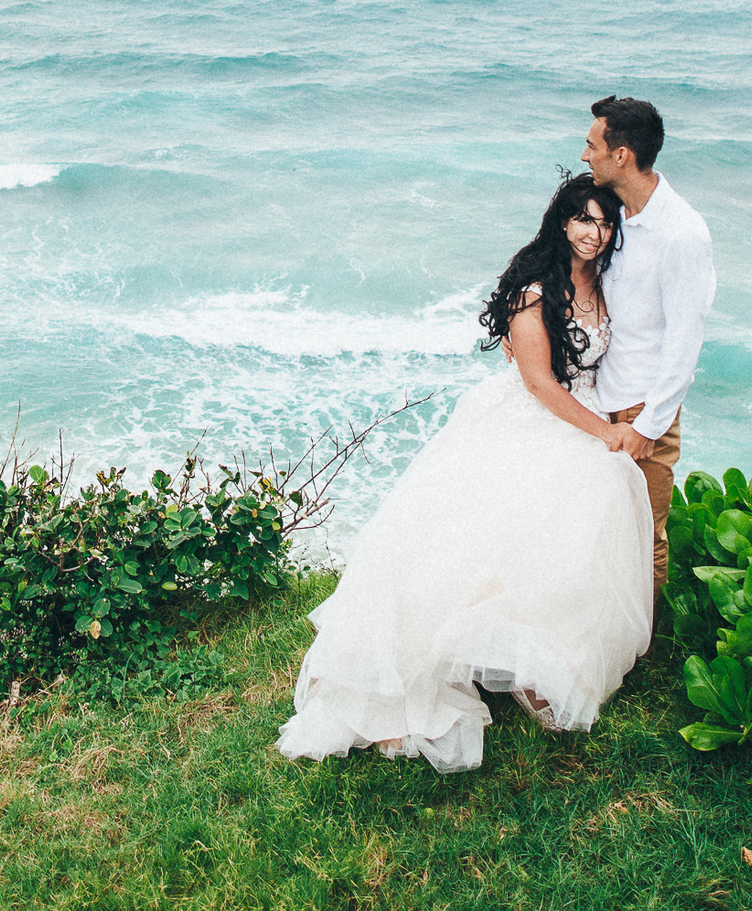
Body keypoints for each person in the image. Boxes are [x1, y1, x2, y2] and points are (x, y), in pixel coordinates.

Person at [274, 174, 654, 773]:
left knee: (574, 534)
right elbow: (540, 383)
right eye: (583, 219)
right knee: (483, 543)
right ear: (562, 222)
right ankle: (473, 664)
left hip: (580, 417)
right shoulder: (534, 292)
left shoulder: (606, 283)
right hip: (533, 419)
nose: (595, 233)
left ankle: (536, 663)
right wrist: (605, 431)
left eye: (606, 222)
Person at [582, 95, 715, 588]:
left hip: (642, 409)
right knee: (596, 527)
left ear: (621, 155)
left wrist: (650, 427)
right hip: (595, 398)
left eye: (592, 144)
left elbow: (685, 342)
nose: (584, 155)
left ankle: (645, 652)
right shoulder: (611, 214)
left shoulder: (682, 234)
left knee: (645, 533)